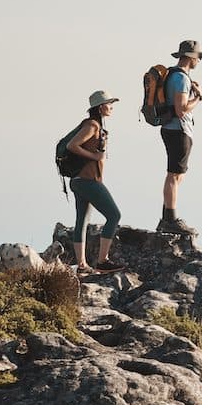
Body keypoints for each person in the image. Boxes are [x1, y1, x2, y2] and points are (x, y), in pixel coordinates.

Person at [66, 91, 127, 274]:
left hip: (79, 181)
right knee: (114, 215)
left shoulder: (96, 127)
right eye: (109, 104)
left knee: (82, 221)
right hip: (87, 181)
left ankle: (82, 265)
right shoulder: (92, 125)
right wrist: (94, 156)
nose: (111, 107)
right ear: (100, 107)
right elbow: (72, 145)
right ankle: (102, 260)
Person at [159, 40, 202, 235]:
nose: (199, 62)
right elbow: (181, 109)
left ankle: (167, 216)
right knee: (174, 174)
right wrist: (198, 98)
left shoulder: (173, 75)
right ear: (190, 58)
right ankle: (170, 219)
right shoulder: (182, 79)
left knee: (177, 174)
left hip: (171, 128)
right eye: (198, 58)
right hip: (178, 129)